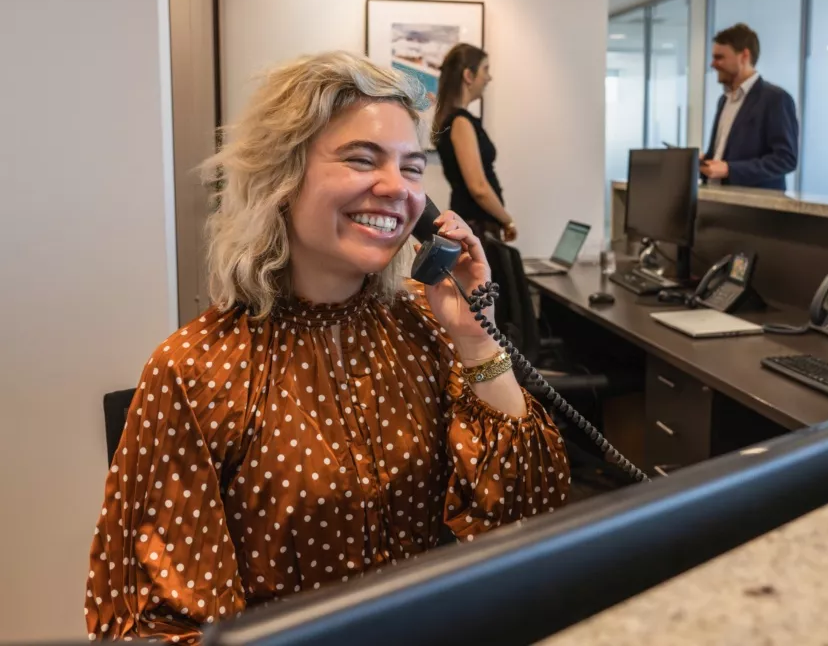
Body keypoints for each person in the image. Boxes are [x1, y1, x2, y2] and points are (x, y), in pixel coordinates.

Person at [85, 52, 570, 643]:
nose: (397, 189)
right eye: (362, 159)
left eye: (412, 168)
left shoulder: (428, 327)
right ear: (281, 178)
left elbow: (523, 519)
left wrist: (475, 338)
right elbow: (163, 622)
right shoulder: (195, 369)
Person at [432, 44, 517, 241]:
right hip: (477, 227)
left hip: (473, 225)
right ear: (468, 76)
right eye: (485, 70)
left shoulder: (454, 120)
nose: (489, 78)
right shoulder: (461, 122)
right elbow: (478, 188)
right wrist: (507, 220)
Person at [701, 23, 799, 191]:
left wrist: (729, 169)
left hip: (754, 210)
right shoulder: (724, 100)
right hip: (719, 203)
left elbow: (785, 160)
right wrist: (704, 161)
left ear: (744, 56)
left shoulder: (776, 99)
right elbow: (722, 158)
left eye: (720, 57)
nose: (713, 64)